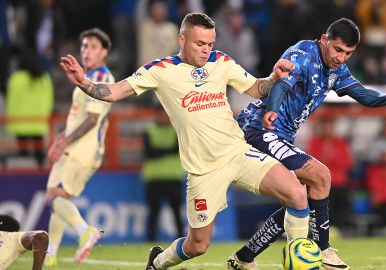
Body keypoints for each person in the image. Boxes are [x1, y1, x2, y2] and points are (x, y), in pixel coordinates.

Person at [59, 13, 310, 270]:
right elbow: (114, 92)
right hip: (203, 170)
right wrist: (84, 82)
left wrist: (273, 78)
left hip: (238, 153)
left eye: (210, 44)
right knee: (197, 245)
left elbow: (257, 89)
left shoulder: (222, 62)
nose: (206, 50)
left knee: (297, 193)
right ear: (181, 39)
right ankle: (157, 262)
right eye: (199, 44)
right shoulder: (160, 70)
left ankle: (299, 261)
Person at [232, 18, 386, 270]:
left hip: (280, 136)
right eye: (338, 49)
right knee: (321, 175)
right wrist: (271, 111)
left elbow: (363, 94)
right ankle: (323, 250)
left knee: (297, 203)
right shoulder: (303, 54)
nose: (341, 58)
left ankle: (243, 258)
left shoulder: (336, 70)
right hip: (260, 128)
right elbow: (281, 83)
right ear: (325, 40)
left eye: (348, 53)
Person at [43, 28, 114, 267]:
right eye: (84, 46)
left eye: (93, 46)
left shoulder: (101, 78)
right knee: (58, 199)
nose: (86, 51)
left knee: (53, 197)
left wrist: (64, 140)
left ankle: (85, 231)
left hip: (82, 148)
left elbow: (93, 119)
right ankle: (50, 255)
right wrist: (60, 138)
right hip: (73, 146)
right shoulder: (87, 76)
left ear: (104, 52)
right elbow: (77, 117)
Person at [142, 105, 185, 241]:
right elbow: (148, 153)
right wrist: (168, 150)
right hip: (154, 178)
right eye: (161, 114)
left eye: (166, 114)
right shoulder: (150, 130)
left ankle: (182, 241)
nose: (163, 117)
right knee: (153, 212)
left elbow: (176, 149)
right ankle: (150, 241)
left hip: (173, 177)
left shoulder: (177, 130)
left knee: (177, 212)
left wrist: (158, 150)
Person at [6, 50, 54, 167]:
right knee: (39, 153)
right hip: (39, 122)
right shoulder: (45, 78)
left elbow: (11, 101)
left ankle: (23, 180)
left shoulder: (16, 78)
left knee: (23, 154)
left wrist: (10, 119)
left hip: (20, 122)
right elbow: (50, 99)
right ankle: (40, 175)